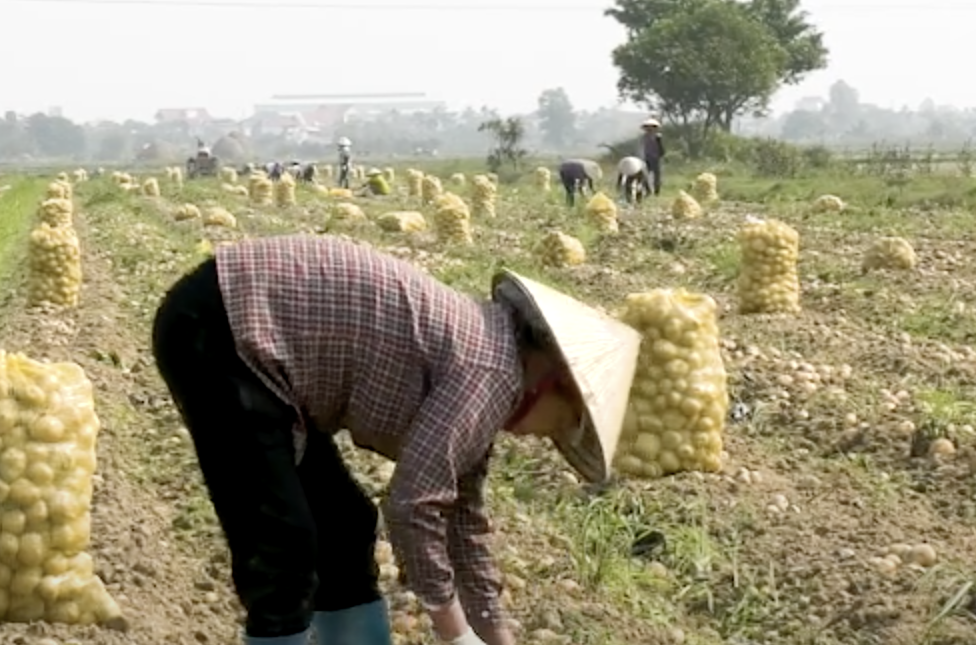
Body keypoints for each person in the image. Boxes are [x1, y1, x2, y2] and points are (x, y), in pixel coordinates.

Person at [151, 235, 640, 645]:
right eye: (562, 423)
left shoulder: (492, 365)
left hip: (254, 341)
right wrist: (454, 632)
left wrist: (495, 637)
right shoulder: (489, 371)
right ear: (555, 382)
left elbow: (462, 520)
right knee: (283, 547)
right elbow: (412, 504)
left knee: (344, 525)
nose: (546, 436)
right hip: (224, 328)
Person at [639, 118, 665, 196]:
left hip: (655, 158)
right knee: (645, 175)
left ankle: (657, 191)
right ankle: (648, 190)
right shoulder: (644, 137)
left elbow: (661, 148)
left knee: (657, 176)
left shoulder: (658, 137)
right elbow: (643, 147)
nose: (649, 129)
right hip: (647, 157)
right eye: (648, 127)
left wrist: (661, 155)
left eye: (651, 127)